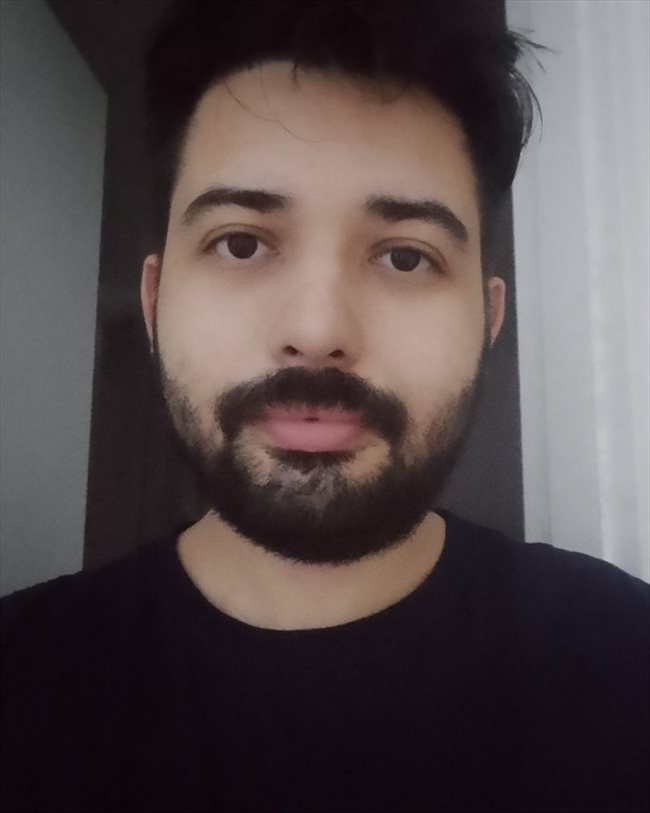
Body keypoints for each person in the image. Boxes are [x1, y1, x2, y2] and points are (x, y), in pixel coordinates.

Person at [1, 2, 648, 811]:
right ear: (155, 301)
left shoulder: (628, 663)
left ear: (489, 319)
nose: (317, 331)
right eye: (242, 242)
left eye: (405, 256)